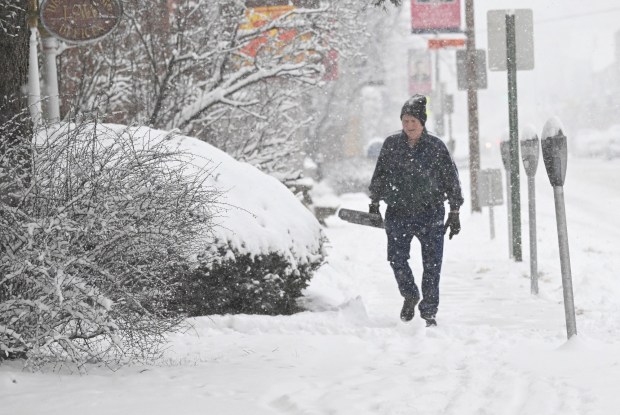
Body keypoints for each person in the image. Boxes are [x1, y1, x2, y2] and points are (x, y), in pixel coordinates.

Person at [368, 94, 464, 327]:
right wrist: (374, 203)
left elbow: (451, 179)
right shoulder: (391, 145)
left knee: (432, 264)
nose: (409, 126)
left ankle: (429, 311)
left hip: (430, 213)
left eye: (413, 121)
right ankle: (410, 294)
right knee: (396, 259)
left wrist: (454, 211)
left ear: (422, 123)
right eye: (405, 121)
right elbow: (380, 175)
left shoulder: (436, 147)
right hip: (398, 212)